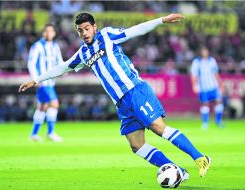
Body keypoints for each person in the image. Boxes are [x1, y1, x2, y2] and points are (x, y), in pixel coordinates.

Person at [19, 13, 211, 184]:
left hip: (135, 90)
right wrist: (36, 80)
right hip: (121, 103)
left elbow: (135, 30)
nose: (84, 33)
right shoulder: (83, 53)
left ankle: (200, 157)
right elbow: (63, 67)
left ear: (94, 27)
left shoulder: (107, 35)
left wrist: (161, 20)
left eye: (87, 28)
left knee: (158, 128)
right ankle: (178, 171)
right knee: (137, 145)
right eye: (80, 31)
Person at [27, 23, 63, 142]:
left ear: (54, 33)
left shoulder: (55, 46)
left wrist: (65, 71)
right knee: (54, 104)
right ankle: (50, 132)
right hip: (42, 82)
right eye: (47, 31)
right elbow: (31, 63)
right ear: (43, 33)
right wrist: (34, 79)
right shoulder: (37, 46)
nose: (49, 33)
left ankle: (34, 134)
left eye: (51, 31)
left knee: (42, 107)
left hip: (51, 81)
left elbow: (60, 62)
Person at [191, 47, 225, 129]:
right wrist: (194, 85)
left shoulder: (212, 61)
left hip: (213, 85)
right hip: (203, 87)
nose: (205, 52)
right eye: (203, 51)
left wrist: (220, 84)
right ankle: (205, 123)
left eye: (206, 51)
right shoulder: (197, 62)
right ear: (200, 52)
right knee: (205, 104)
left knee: (219, 101)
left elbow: (216, 73)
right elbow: (194, 75)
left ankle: (218, 121)